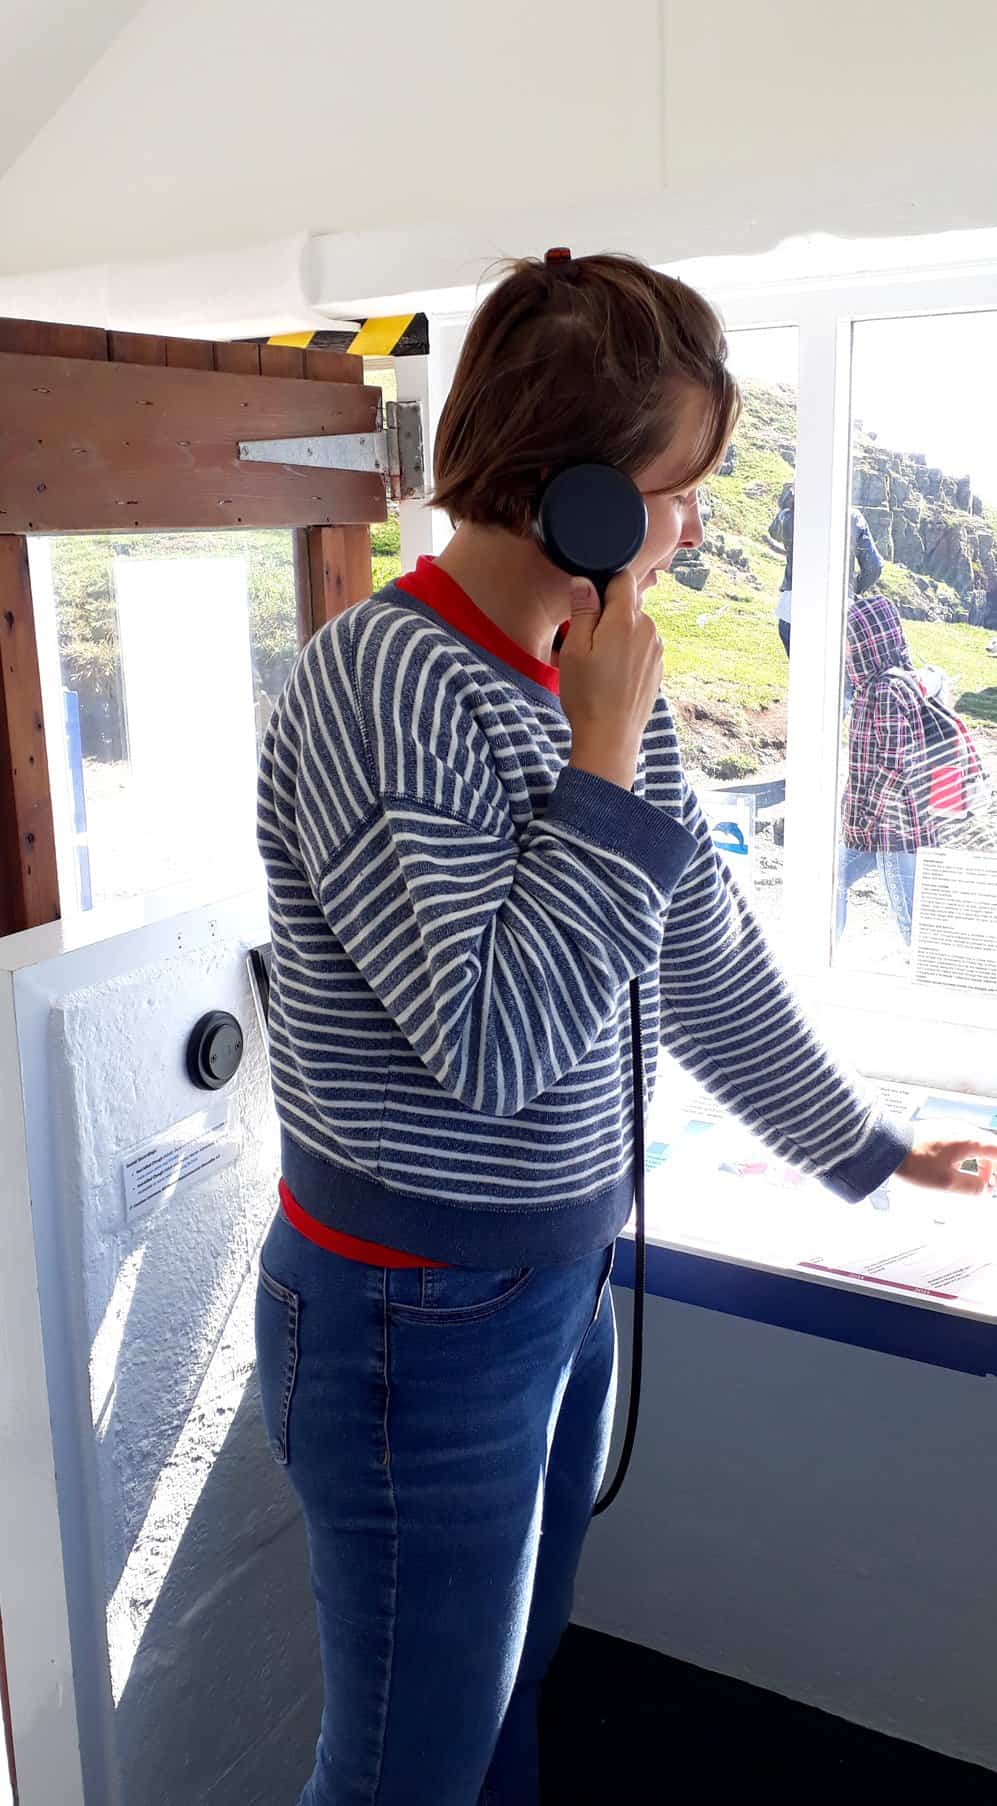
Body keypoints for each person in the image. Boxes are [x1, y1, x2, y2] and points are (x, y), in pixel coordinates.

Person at [254, 252, 995, 1806]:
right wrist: (596, 753)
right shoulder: (385, 683)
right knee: (405, 1760)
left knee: (507, 1690)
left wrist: (867, 1145)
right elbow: (495, 1044)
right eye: (675, 489)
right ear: (570, 493)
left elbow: (698, 953)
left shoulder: (607, 673)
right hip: (412, 1322)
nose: (697, 526)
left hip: (552, 1279)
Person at [838, 592, 983, 944]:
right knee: (830, 881)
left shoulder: (883, 689)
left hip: (891, 832)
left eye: (848, 636)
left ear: (867, 638)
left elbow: (894, 764)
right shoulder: (897, 678)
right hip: (887, 827)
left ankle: (938, 988)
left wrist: (866, 818)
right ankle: (826, 951)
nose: (844, 645)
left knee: (912, 923)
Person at [770, 485, 883, 657]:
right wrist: (852, 590)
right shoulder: (853, 517)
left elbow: (774, 532)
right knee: (834, 679)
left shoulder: (789, 516)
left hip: (792, 608)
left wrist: (788, 501)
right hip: (838, 611)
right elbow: (874, 567)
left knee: (801, 679)